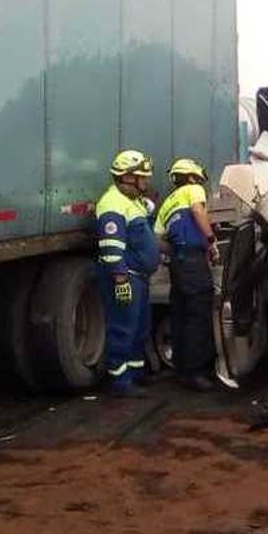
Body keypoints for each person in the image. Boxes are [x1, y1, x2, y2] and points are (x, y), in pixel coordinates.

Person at [96, 149, 161, 398]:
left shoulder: (130, 201)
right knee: (123, 327)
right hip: (126, 277)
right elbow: (112, 248)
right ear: (126, 178)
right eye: (141, 178)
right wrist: (120, 279)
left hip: (139, 277)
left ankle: (135, 373)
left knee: (139, 327)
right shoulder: (112, 204)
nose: (144, 183)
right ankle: (120, 381)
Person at [155, 158, 219, 391]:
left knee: (180, 315)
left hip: (178, 264)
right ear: (192, 176)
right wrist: (210, 240)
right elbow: (197, 210)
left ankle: (182, 370)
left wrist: (175, 254)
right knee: (198, 315)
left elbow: (158, 239)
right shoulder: (193, 190)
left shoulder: (166, 203)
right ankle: (196, 372)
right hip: (193, 262)